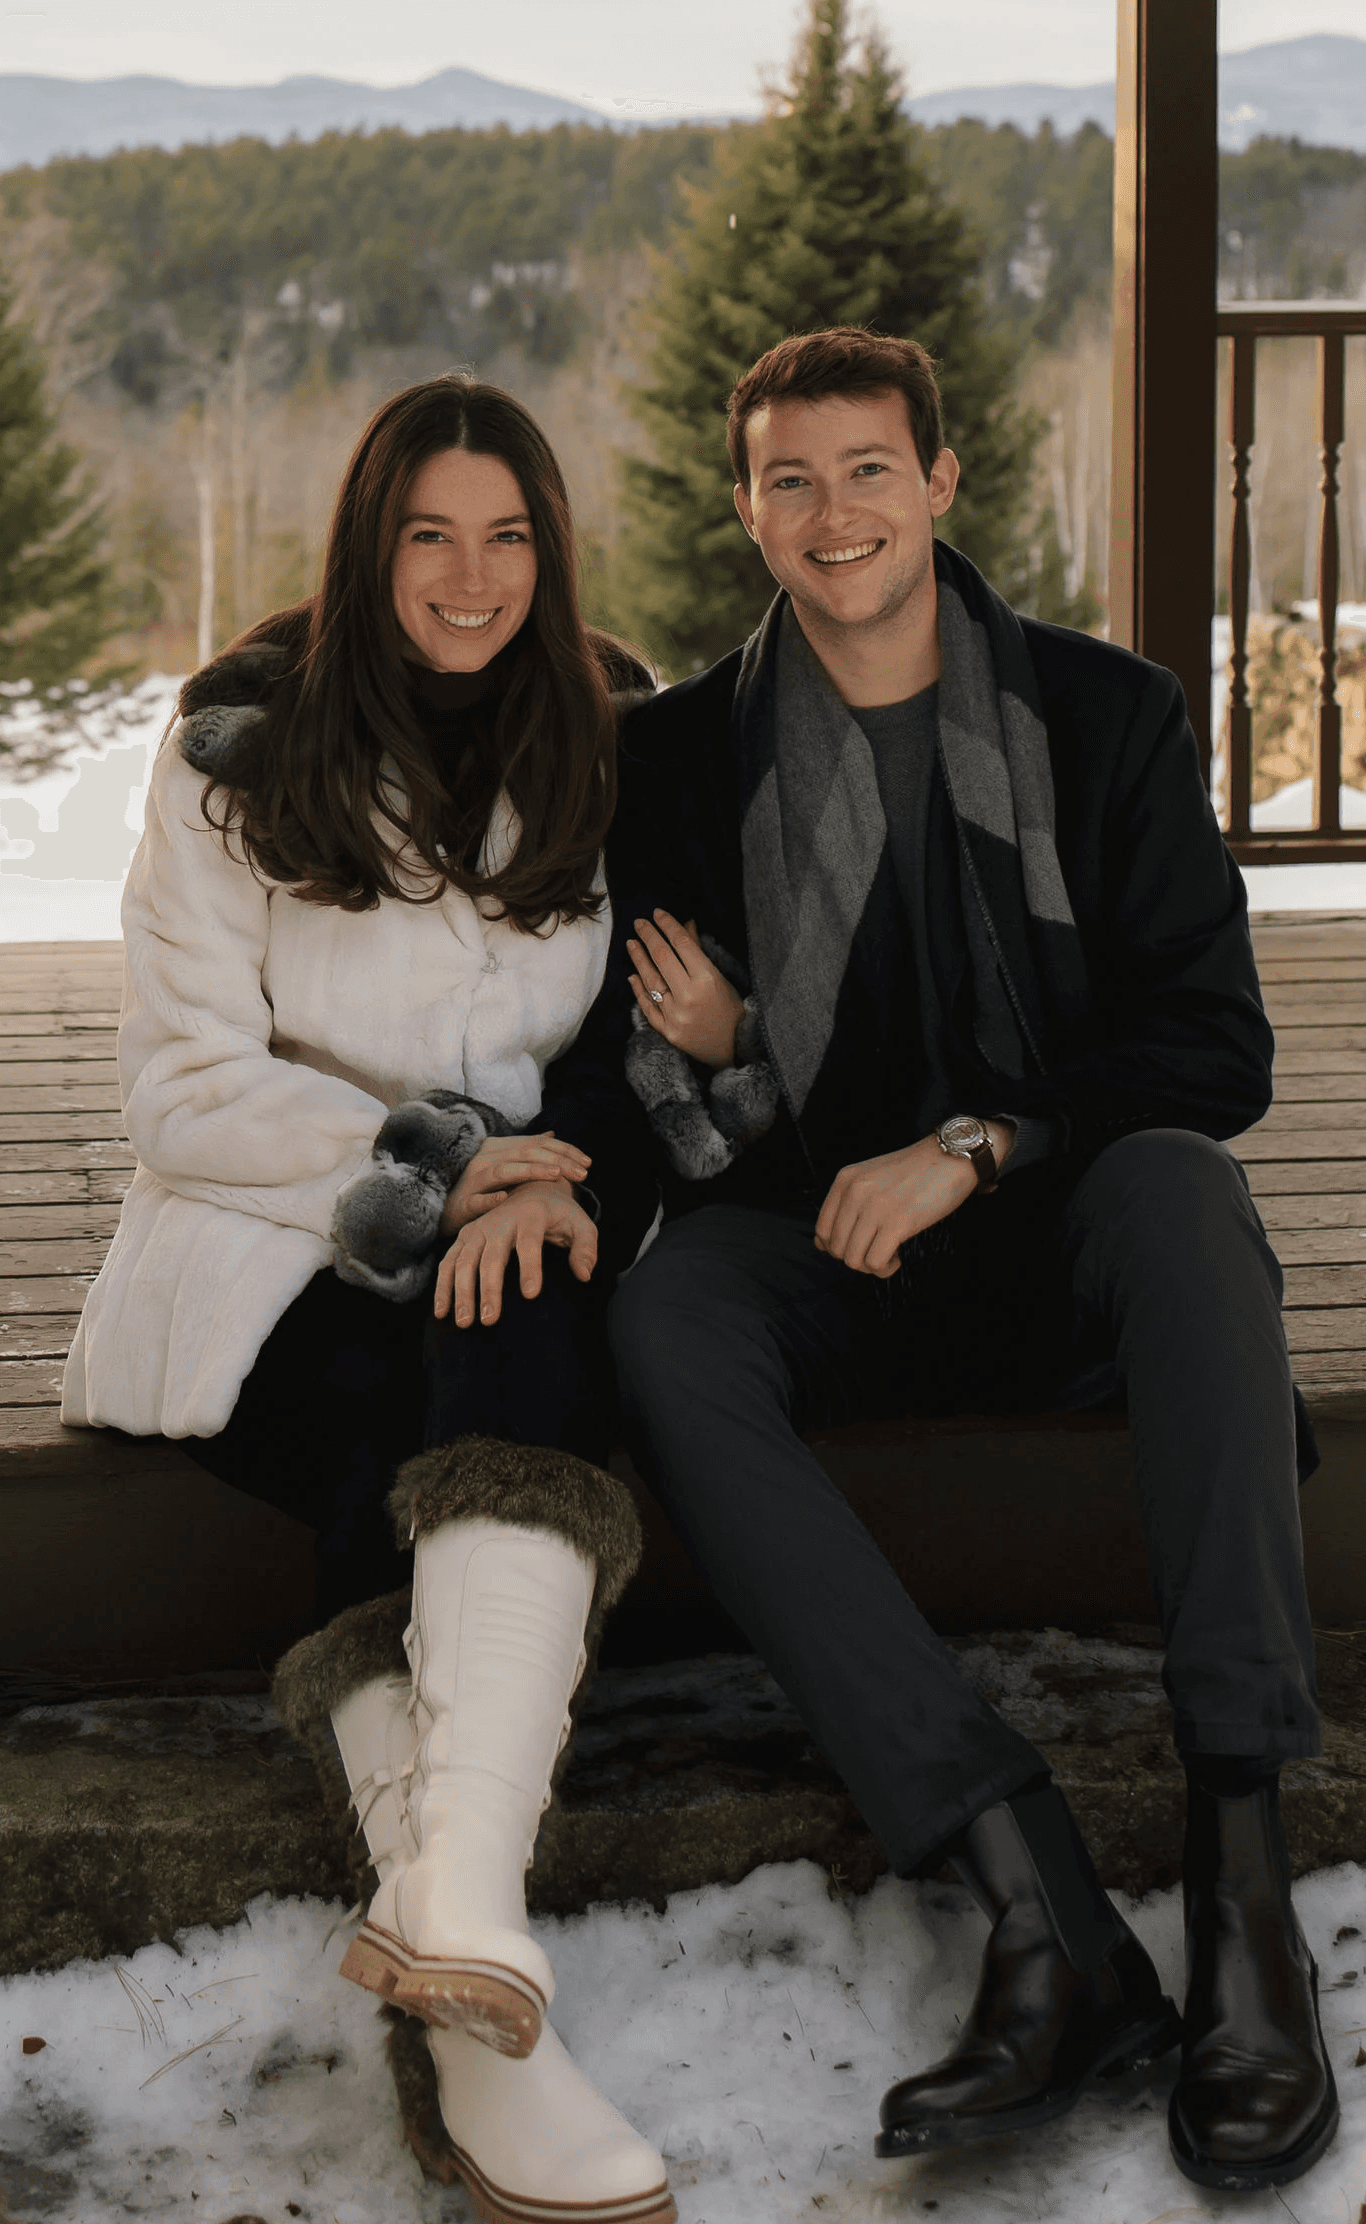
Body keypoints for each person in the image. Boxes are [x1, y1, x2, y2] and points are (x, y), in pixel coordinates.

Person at [606, 326, 1336, 2195]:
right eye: (789, 478)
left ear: (938, 482)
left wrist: (974, 1140)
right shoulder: (678, 755)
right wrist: (733, 1066)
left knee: (1184, 1193)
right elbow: (624, 1066)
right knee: (674, 1311)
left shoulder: (1105, 715)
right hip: (823, 1247)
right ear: (746, 511)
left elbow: (1212, 1048)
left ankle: (1244, 1892)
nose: (830, 513)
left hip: (1049, 1228)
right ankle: (1036, 1905)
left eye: (866, 469)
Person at [61, 374, 676, 2224]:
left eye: (507, 536)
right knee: (426, 1399)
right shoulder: (239, 745)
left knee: (502, 1355)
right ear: (370, 541)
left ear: (547, 553)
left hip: (527, 1227)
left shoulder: (615, 735)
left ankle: (454, 1932)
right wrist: (440, 1160)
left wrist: (545, 1167)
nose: (469, 576)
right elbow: (176, 1077)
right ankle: (489, 1984)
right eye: (431, 534)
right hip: (265, 1240)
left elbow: (651, 1023)